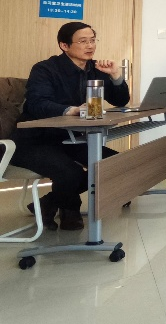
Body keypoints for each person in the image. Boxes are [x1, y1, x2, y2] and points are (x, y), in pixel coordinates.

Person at [11, 21, 130, 230]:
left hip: (69, 138)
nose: (90, 46)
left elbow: (121, 101)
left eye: (92, 40)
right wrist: (71, 110)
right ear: (64, 45)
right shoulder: (45, 69)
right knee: (70, 173)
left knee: (116, 164)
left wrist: (115, 75)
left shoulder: (95, 68)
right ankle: (70, 209)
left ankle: (49, 203)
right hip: (34, 140)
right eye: (83, 41)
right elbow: (37, 104)